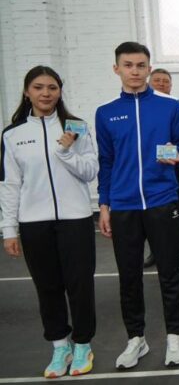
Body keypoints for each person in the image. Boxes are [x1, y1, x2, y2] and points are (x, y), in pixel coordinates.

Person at [95, 41, 179, 369]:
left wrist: (177, 153)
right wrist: (104, 204)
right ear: (117, 69)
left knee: (170, 273)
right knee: (129, 276)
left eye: (141, 66)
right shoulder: (106, 112)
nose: (135, 71)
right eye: (128, 65)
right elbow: (106, 161)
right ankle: (136, 338)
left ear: (149, 69)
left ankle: (175, 337)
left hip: (162, 201)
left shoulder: (170, 106)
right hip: (123, 206)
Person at [1, 66, 98, 378]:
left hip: (76, 220)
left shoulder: (76, 127)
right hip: (34, 223)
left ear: (60, 91)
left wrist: (67, 152)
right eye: (39, 87)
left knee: (80, 286)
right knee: (47, 287)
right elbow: (10, 184)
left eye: (52, 87)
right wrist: (8, 229)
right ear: (27, 92)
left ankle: (82, 344)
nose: (46, 93)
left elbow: (90, 171)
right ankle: (59, 346)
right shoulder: (12, 135)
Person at [145, 68, 179, 268]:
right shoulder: (141, 106)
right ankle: (155, 252)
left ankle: (178, 251)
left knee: (177, 211)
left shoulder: (177, 106)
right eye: (157, 80)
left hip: (172, 168)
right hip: (148, 169)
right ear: (149, 83)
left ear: (171, 86)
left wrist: (174, 151)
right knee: (149, 214)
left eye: (165, 81)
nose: (161, 84)